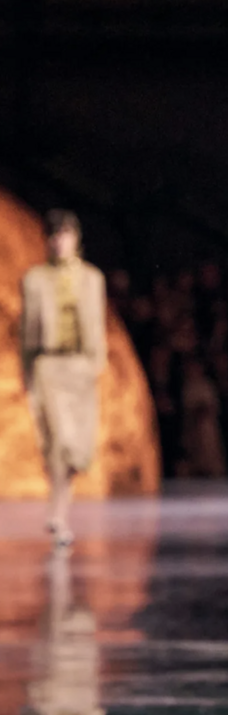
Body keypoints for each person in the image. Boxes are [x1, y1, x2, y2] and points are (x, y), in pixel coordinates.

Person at [20, 209, 107, 548]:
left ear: (76, 238)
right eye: (55, 235)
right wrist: (28, 372)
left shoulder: (92, 278)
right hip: (48, 365)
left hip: (81, 366)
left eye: (66, 234)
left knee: (78, 449)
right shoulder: (35, 279)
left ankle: (59, 512)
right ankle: (58, 514)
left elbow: (97, 325)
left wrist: (96, 365)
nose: (60, 241)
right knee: (59, 441)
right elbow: (26, 331)